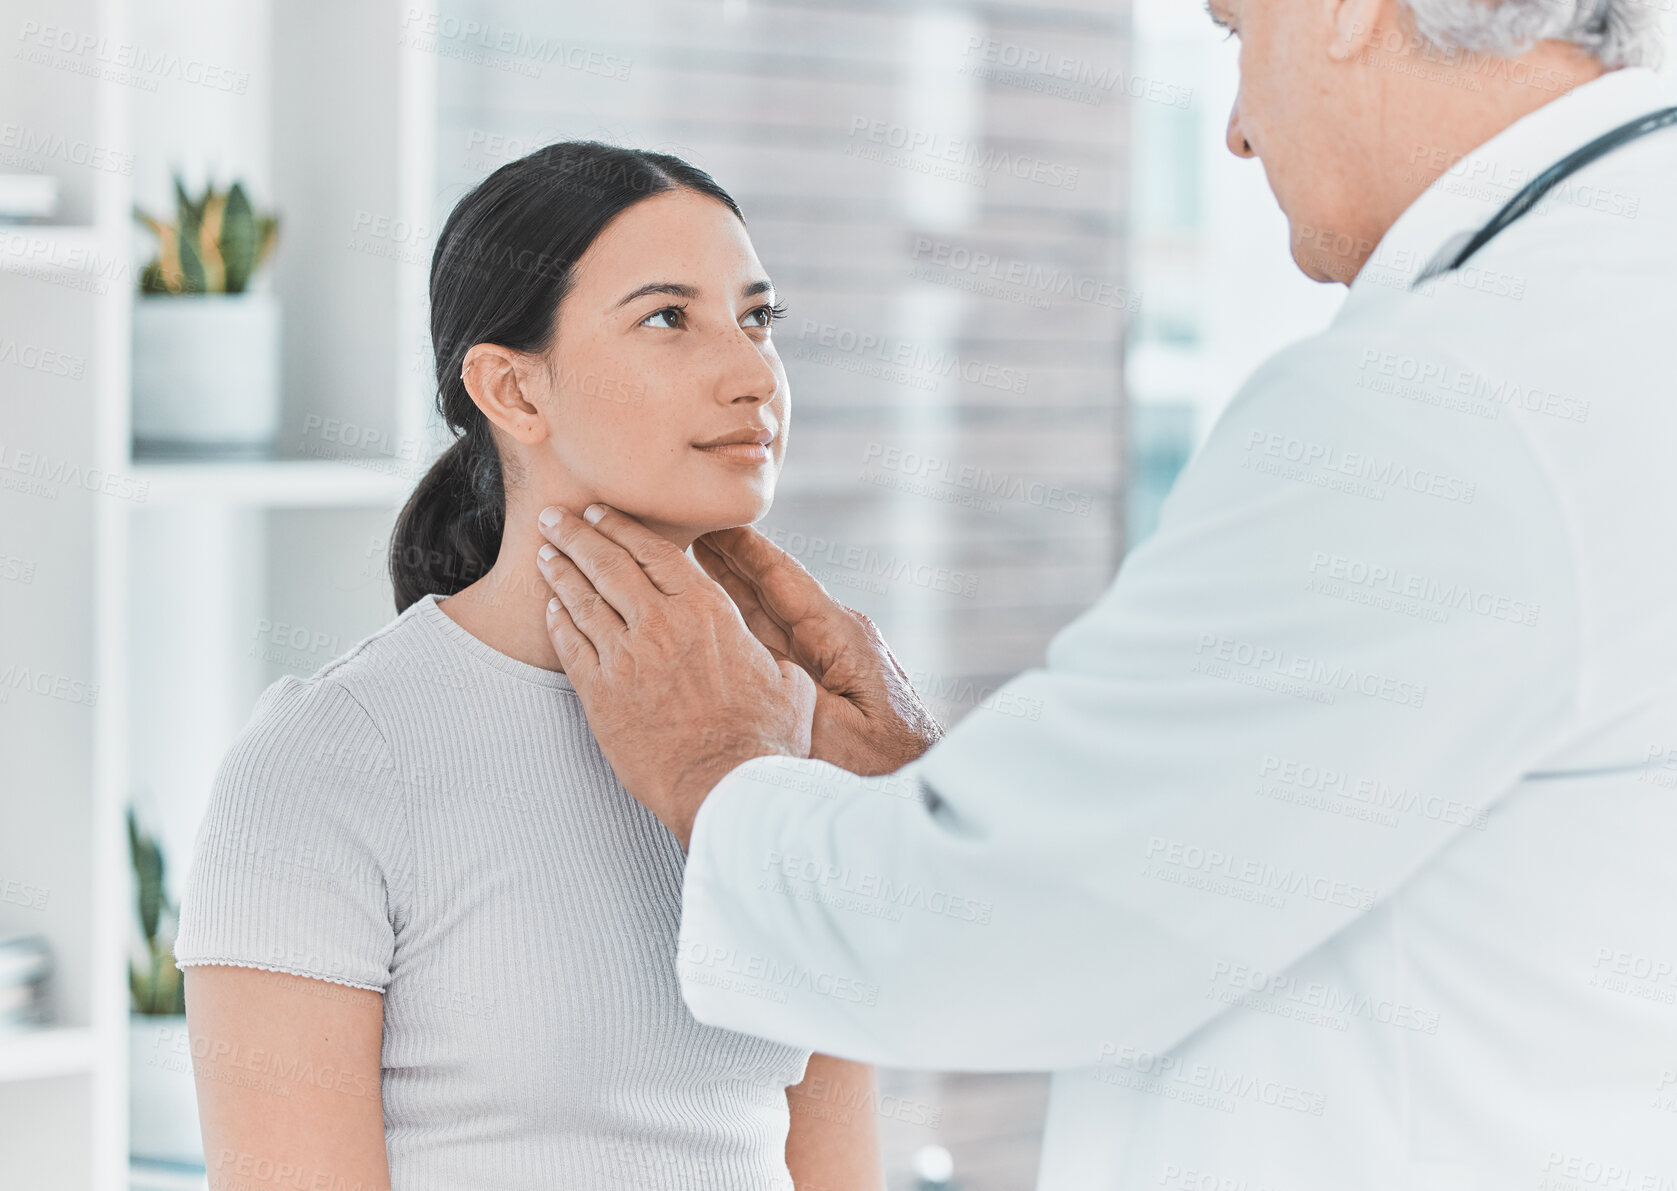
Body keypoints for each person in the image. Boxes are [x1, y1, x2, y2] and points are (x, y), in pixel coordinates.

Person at [525, 0, 1677, 1186]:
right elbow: (1259, 843)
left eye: (1237, 35)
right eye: (666, 318)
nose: (1234, 131)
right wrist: (931, 802)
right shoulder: (1604, 306)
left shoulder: (1445, 404)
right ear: (509, 391)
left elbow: (1005, 940)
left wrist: (715, 762)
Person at [173, 142, 880, 1191]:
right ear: (511, 387)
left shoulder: (799, 744)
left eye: (757, 318)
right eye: (667, 318)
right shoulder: (331, 760)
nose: (751, 374)